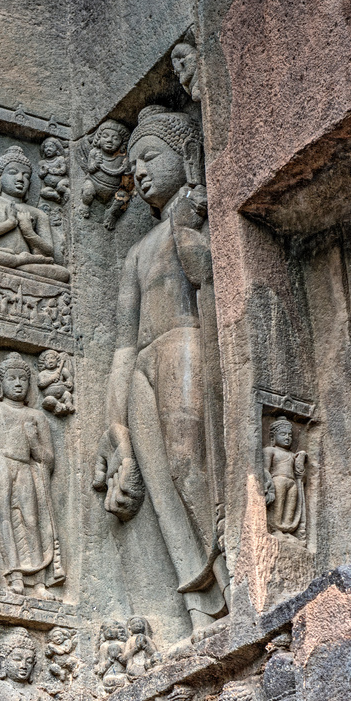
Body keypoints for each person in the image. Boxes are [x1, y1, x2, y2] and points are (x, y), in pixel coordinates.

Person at [93, 106, 229, 631]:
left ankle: (231, 579)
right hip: (142, 367)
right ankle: (198, 607)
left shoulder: (194, 215)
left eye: (151, 156)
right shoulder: (135, 253)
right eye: (134, 165)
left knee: (188, 465)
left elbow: (208, 279)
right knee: (159, 483)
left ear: (185, 153)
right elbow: (122, 346)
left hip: (183, 343)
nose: (141, 171)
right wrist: (116, 427)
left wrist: (193, 225)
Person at [0, 352, 64, 598]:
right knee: (5, 519)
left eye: (23, 379)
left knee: (32, 520)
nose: (18, 384)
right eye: (12, 379)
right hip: (0, 463)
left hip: (25, 468)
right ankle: (14, 577)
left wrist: (34, 443)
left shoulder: (36, 416)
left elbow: (48, 460)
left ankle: (39, 581)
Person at [0, 145, 70, 282]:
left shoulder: (38, 214)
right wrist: (9, 223)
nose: (21, 179)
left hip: (22, 261)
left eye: (26, 176)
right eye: (13, 172)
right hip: (0, 253)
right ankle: (20, 261)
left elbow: (48, 252)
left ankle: (17, 262)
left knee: (62, 273)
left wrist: (28, 231)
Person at [263, 417, 306, 540]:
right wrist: (268, 483)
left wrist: (301, 459)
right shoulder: (270, 450)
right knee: (278, 506)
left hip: (292, 482)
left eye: (290, 435)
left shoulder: (292, 455)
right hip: (278, 480)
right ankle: (276, 529)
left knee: (290, 507)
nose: (287, 437)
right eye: (283, 434)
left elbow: (299, 473)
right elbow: (265, 469)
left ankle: (287, 530)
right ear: (273, 436)